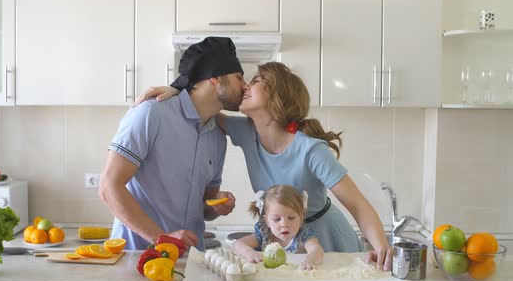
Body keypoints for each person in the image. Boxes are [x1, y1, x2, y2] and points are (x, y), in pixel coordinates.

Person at [137, 61, 393, 270]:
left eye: (257, 81)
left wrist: (381, 246)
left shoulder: (310, 150)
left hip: (324, 239)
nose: (246, 85)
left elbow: (357, 204)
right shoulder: (246, 132)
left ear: (277, 97)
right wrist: (177, 91)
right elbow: (203, 106)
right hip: (279, 235)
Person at [99, 37, 246, 251]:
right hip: (139, 256)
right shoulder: (151, 114)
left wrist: (217, 205)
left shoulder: (217, 136)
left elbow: (204, 205)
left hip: (189, 260)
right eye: (239, 78)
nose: (245, 85)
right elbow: (108, 187)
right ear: (215, 78)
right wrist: (161, 238)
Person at [232, 185, 325, 270]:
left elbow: (316, 250)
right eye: (277, 219)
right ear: (267, 221)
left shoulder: (304, 234)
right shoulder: (264, 233)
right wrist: (248, 252)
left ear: (301, 217)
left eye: (291, 218)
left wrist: (311, 260)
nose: (284, 224)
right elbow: (237, 245)